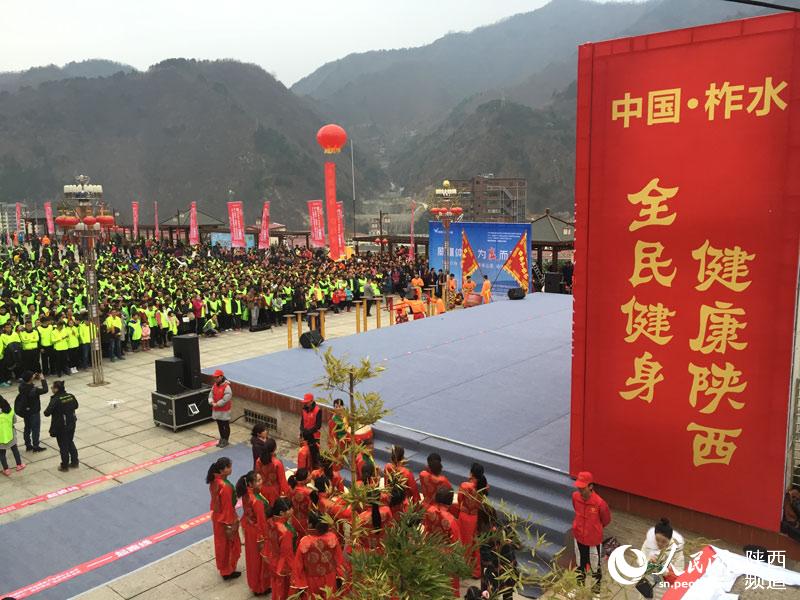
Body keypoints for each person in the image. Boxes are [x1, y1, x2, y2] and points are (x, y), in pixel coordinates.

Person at [572, 471, 611, 595]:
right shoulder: (575, 497)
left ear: (591, 486)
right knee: (580, 565)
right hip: (578, 538)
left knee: (595, 568)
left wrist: (594, 529)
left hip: (593, 541)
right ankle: (579, 588)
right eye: (579, 488)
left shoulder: (600, 503)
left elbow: (606, 520)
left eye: (583, 488)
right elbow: (575, 509)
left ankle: (596, 593)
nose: (580, 491)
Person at [293, 511, 345, 597]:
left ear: (310, 524)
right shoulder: (332, 538)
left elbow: (298, 565)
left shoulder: (305, 541)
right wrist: (340, 576)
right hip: (330, 578)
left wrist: (299, 583)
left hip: (311, 580)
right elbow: (339, 560)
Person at [206, 457, 241, 581]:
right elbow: (227, 507)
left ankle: (224, 568)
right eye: (229, 467)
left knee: (221, 544)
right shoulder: (225, 486)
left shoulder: (214, 481)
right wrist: (232, 523)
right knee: (228, 545)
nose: (231, 469)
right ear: (222, 470)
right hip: (225, 519)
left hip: (217, 517)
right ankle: (227, 570)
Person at [236, 471, 270, 596]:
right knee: (260, 561)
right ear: (251, 483)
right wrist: (263, 539)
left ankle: (254, 584)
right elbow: (262, 522)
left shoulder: (246, 494)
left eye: (261, 479)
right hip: (257, 532)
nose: (261, 482)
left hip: (250, 530)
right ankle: (261, 586)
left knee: (252, 558)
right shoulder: (257, 501)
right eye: (258, 480)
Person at [423, 487, 462, 597]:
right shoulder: (450, 520)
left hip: (430, 548)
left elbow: (426, 528)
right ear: (449, 501)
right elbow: (456, 542)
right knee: (449, 583)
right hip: (446, 554)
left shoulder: (429, 510)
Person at [639, 518, 685, 599]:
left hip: (663, 589)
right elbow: (640, 560)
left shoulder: (676, 551)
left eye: (664, 541)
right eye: (657, 540)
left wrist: (666, 570)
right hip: (646, 585)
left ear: (669, 539)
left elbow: (678, 575)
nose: (660, 544)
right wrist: (648, 561)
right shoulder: (648, 543)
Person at [458, 462, 489, 578]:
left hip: (465, 517)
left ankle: (465, 568)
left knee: (465, 543)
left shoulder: (465, 486)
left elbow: (460, 499)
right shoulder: (484, 486)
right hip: (476, 517)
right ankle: (476, 570)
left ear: (472, 473)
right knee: (474, 543)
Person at [43, 379, 78, 471]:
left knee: (63, 446)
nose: (51, 389)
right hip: (71, 423)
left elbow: (46, 413)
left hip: (61, 426)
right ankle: (75, 462)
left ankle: (64, 466)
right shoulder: (70, 396)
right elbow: (76, 406)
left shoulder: (56, 399)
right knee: (70, 442)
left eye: (52, 387)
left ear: (56, 389)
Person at [264, 498, 295, 600]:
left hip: (273, 558)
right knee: (283, 591)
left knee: (276, 587)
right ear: (282, 512)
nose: (292, 510)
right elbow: (287, 554)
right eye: (290, 508)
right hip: (282, 565)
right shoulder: (284, 531)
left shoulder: (270, 520)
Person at [16, 370, 48, 452]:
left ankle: (28, 445)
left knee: (27, 428)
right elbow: (45, 390)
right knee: (35, 429)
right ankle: (36, 446)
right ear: (30, 379)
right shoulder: (33, 390)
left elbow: (27, 382)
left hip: (26, 411)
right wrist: (43, 379)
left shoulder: (21, 386)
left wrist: (33, 378)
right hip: (34, 412)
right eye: (32, 376)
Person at [256, 438, 289, 504]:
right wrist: (286, 494)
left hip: (262, 489)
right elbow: (282, 481)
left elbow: (257, 475)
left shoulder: (259, 460)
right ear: (275, 448)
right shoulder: (277, 463)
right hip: (274, 491)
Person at [0, 394, 25, 475]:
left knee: (2, 454)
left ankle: (6, 469)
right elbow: (14, 421)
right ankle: (19, 465)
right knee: (15, 450)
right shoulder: (10, 411)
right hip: (11, 435)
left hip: (1, 438)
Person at [208, 369, 232, 447]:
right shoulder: (214, 385)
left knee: (225, 424)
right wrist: (211, 401)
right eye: (215, 377)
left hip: (224, 410)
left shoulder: (226, 386)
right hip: (217, 408)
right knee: (220, 425)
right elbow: (211, 394)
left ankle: (226, 440)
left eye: (217, 377)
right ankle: (222, 438)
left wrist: (217, 404)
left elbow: (226, 398)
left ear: (221, 377)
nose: (215, 378)